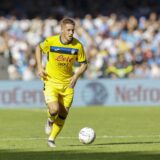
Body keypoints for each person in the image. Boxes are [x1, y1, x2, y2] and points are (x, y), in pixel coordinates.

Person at [35, 17, 88, 147]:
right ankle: (49, 120)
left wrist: (75, 76)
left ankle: (51, 139)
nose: (71, 33)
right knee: (54, 109)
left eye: (73, 30)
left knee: (63, 113)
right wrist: (40, 67)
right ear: (62, 30)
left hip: (67, 84)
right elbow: (38, 48)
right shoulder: (51, 41)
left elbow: (84, 64)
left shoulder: (78, 45)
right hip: (51, 81)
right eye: (68, 30)